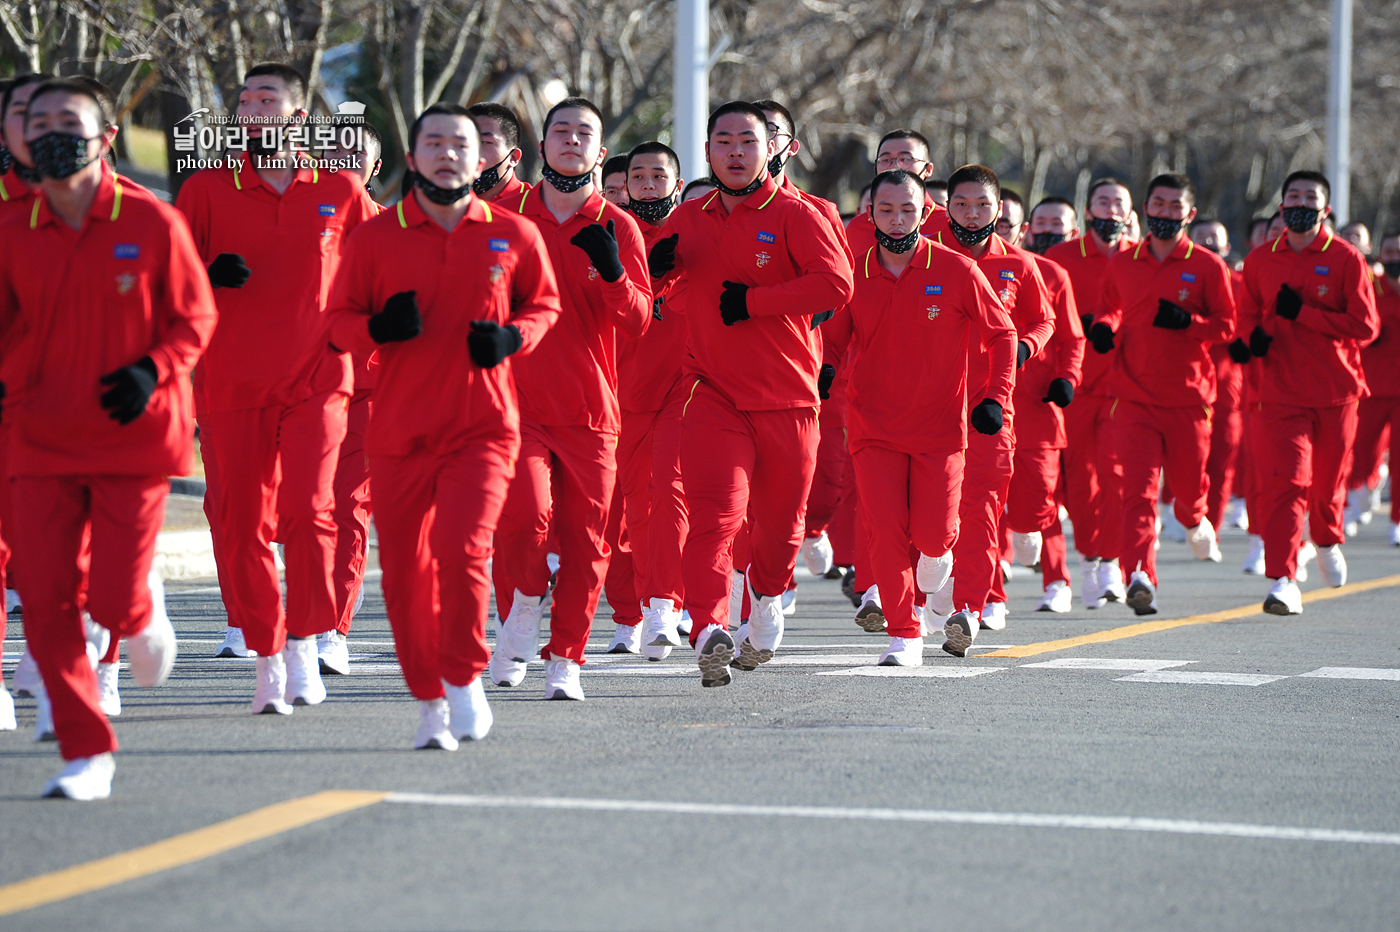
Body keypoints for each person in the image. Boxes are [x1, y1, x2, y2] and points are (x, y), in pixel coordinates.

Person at [0, 80, 216, 797]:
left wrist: (153, 371)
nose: (52, 132)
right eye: (39, 122)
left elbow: (196, 319)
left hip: (132, 436)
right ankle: (87, 751)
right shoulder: (10, 227)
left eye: (70, 120)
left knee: (114, 603)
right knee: (44, 594)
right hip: (39, 439)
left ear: (105, 137)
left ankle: (141, 612)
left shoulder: (151, 222)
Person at [328, 104, 560, 747]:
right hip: (399, 432)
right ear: (412, 159)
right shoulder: (375, 237)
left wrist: (513, 338)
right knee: (405, 574)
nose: (449, 152)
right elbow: (338, 321)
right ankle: (428, 696)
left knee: (463, 554)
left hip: (482, 427)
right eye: (434, 142)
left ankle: (463, 681)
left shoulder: (511, 234)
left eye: (461, 142)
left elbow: (545, 306)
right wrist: (376, 330)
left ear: (479, 157)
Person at [176, 63, 378, 712]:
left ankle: (308, 643)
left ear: (297, 119)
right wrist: (206, 273)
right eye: (243, 102)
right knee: (242, 524)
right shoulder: (206, 190)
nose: (251, 110)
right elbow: (169, 286)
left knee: (311, 511)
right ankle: (266, 650)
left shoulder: (341, 190)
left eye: (266, 100)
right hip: (232, 383)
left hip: (320, 381)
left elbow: (375, 276)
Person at [660, 100, 852, 686]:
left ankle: (766, 602)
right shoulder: (689, 217)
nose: (736, 152)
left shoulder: (799, 213)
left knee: (778, 527)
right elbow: (653, 282)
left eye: (747, 141)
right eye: (723, 141)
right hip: (711, 392)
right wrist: (642, 265)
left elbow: (836, 285)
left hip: (789, 399)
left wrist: (754, 303)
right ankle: (710, 628)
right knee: (716, 518)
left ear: (771, 147)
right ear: (709, 151)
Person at [487, 97, 652, 700]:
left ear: (600, 152)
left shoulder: (618, 225)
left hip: (590, 410)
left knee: (587, 541)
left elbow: (639, 322)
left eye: (584, 133)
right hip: (515, 403)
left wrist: (613, 274)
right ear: (542, 146)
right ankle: (523, 608)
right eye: (561, 130)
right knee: (523, 524)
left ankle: (566, 660)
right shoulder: (503, 216)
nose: (571, 139)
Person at [824, 170, 1014, 662]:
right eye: (885, 210)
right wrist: (824, 370)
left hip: (940, 429)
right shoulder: (856, 271)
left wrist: (995, 395)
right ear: (870, 215)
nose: (896, 219)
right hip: (873, 428)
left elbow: (1003, 335)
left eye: (907, 209)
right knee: (884, 531)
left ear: (926, 211)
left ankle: (937, 558)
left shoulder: (956, 270)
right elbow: (835, 337)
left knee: (934, 535)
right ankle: (904, 633)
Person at [1089, 173, 1237, 615]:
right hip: (1133, 398)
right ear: (1146, 210)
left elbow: (1228, 326)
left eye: (1176, 206)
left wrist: (1189, 324)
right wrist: (1103, 328)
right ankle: (1140, 576)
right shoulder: (1123, 262)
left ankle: (1194, 518)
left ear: (1189, 214)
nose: (1166, 212)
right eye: (1159, 204)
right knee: (1138, 492)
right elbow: (1111, 308)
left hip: (1190, 400)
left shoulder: (1209, 266)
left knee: (1189, 494)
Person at [1237, 170, 1378, 614]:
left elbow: (1366, 327)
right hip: (1278, 393)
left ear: (1325, 208)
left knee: (1327, 485)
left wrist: (1307, 315)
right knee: (1286, 483)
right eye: (1293, 197)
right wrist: (1252, 338)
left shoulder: (1345, 258)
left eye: (1310, 197)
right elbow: (1244, 316)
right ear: (1282, 207)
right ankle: (1282, 578)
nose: (1300, 203)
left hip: (1336, 392)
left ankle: (1328, 537)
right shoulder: (1260, 259)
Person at [924, 164, 1053, 634]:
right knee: (933, 514)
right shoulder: (926, 257)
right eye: (961, 204)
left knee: (980, 509)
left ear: (999, 211)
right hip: (929, 407)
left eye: (982, 205)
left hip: (990, 408)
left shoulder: (1020, 265)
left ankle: (971, 608)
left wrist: (1024, 346)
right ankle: (933, 584)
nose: (972, 214)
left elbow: (1044, 321)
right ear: (944, 207)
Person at [752, 100, 852, 585]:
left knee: (807, 487)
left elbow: (836, 289)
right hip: (725, 375)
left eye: (772, 133)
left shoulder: (816, 212)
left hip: (799, 370)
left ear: (788, 147)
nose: (760, 143)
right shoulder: (707, 210)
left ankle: (807, 536)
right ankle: (760, 591)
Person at [606, 140, 690, 659]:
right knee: (621, 511)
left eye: (659, 177)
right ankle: (626, 614)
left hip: (685, 386)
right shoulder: (608, 234)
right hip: (617, 387)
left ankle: (665, 604)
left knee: (670, 497)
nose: (648, 186)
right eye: (639, 177)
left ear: (677, 184)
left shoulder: (696, 230)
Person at [313, 121, 386, 676]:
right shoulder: (297, 223)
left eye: (355, 153)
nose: (343, 159)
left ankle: (332, 628)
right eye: (334, 149)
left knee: (347, 508)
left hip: (364, 390)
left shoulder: (391, 233)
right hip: (294, 389)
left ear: (375, 168)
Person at [1046, 179, 1135, 607]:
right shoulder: (1061, 258)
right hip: (1079, 387)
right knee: (1082, 480)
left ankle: (1116, 562)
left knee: (1120, 478)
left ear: (1130, 212)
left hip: (1132, 389)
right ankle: (1089, 559)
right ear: (1088, 210)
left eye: (1119, 202)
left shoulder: (1143, 257)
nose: (1111, 209)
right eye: (1103, 201)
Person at [1000, 197, 1086, 612]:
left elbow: (1071, 337)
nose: (1000, 231)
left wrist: (1067, 378)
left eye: (1008, 224)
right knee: (983, 496)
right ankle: (989, 590)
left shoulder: (1051, 273)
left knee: (1040, 498)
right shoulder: (960, 267)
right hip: (981, 406)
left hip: (1036, 405)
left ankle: (1057, 581)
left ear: (1023, 229)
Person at [1189, 218, 1248, 536]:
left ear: (1227, 247)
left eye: (1215, 238)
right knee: (1188, 454)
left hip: (1226, 383)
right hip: (1183, 379)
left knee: (1223, 453)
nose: (1209, 243)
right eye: (1202, 237)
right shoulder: (1175, 279)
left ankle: (1213, 520)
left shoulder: (1241, 283)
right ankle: (1184, 511)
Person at [1347, 230, 1400, 543]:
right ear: (1381, 256)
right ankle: (1364, 487)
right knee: (1361, 455)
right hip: (1371, 388)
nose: (1395, 257)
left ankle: (1397, 521)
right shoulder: (1370, 287)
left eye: (1399, 251)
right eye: (1390, 252)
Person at [846, 130, 943, 257]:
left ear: (928, 170)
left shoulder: (949, 224)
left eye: (905, 159)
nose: (894, 166)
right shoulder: (858, 227)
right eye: (886, 160)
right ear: (876, 168)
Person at [467, 103, 528, 203]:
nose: (472, 151)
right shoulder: (442, 206)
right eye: (464, 143)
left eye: (484, 142)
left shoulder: (535, 207)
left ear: (513, 157)